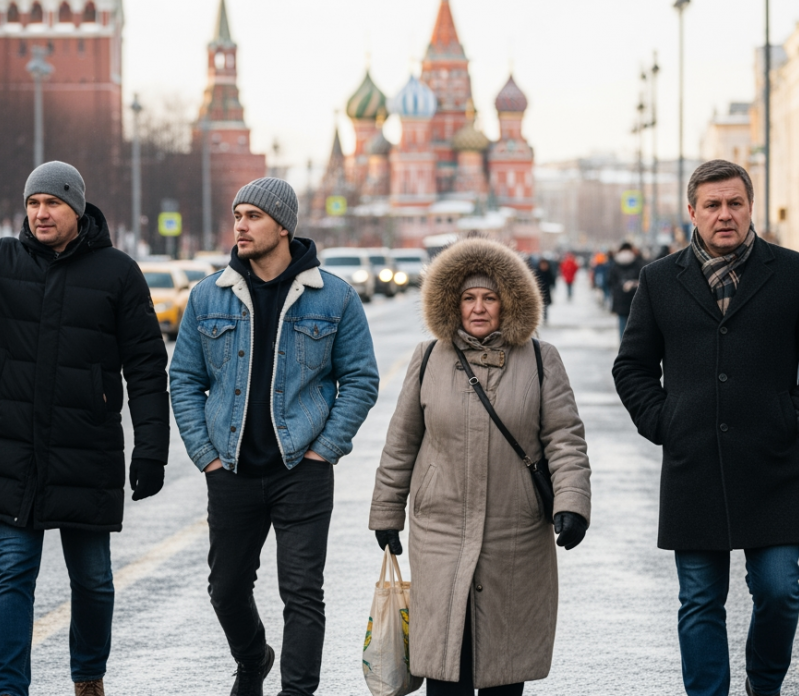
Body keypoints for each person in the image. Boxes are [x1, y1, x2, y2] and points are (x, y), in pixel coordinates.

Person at [0, 163, 170, 696]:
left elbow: (146, 366)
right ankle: (9, 689)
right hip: (8, 450)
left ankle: (88, 676)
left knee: (92, 580)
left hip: (84, 450)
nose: (41, 213)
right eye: (33, 204)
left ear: (77, 209)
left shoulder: (118, 273)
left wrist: (151, 448)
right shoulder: (0, 260)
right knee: (13, 573)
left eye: (53, 204)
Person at [612, 160, 799, 696]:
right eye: (713, 205)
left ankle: (764, 686)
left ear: (750, 207)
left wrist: (794, 416)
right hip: (692, 465)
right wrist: (663, 420)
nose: (725, 215)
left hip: (771, 466)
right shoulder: (658, 279)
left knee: (780, 591)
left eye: (734, 203)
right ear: (691, 212)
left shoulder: (792, 273)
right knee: (699, 601)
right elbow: (632, 367)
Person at [168, 177, 379, 696]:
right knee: (227, 589)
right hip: (232, 469)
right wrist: (207, 457)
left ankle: (296, 692)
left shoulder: (334, 297)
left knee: (303, 594)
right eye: (238, 215)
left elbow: (361, 378)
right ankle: (252, 656)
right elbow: (184, 379)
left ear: (283, 225)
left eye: (254, 216)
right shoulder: (206, 296)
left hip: (301, 471)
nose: (241, 225)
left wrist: (323, 451)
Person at [370, 238, 592, 695]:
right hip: (440, 528)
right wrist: (386, 513)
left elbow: (565, 439)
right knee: (445, 663)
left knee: (503, 666)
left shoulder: (541, 360)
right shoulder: (429, 357)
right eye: (468, 297)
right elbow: (402, 441)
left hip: (515, 532)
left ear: (507, 302)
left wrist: (572, 502)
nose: (478, 307)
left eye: (489, 297)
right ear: (453, 303)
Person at [608, 242, 645, 339]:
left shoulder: (615, 264)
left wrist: (618, 290)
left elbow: (610, 281)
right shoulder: (637, 263)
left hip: (620, 298)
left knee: (622, 323)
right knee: (634, 325)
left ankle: (622, 346)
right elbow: (643, 280)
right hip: (634, 297)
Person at [533, 257, 555, 321]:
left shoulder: (549, 272)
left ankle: (545, 316)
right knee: (540, 303)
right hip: (539, 291)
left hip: (547, 291)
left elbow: (552, 280)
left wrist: (552, 285)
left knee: (546, 304)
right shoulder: (537, 272)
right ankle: (541, 315)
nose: (543, 266)